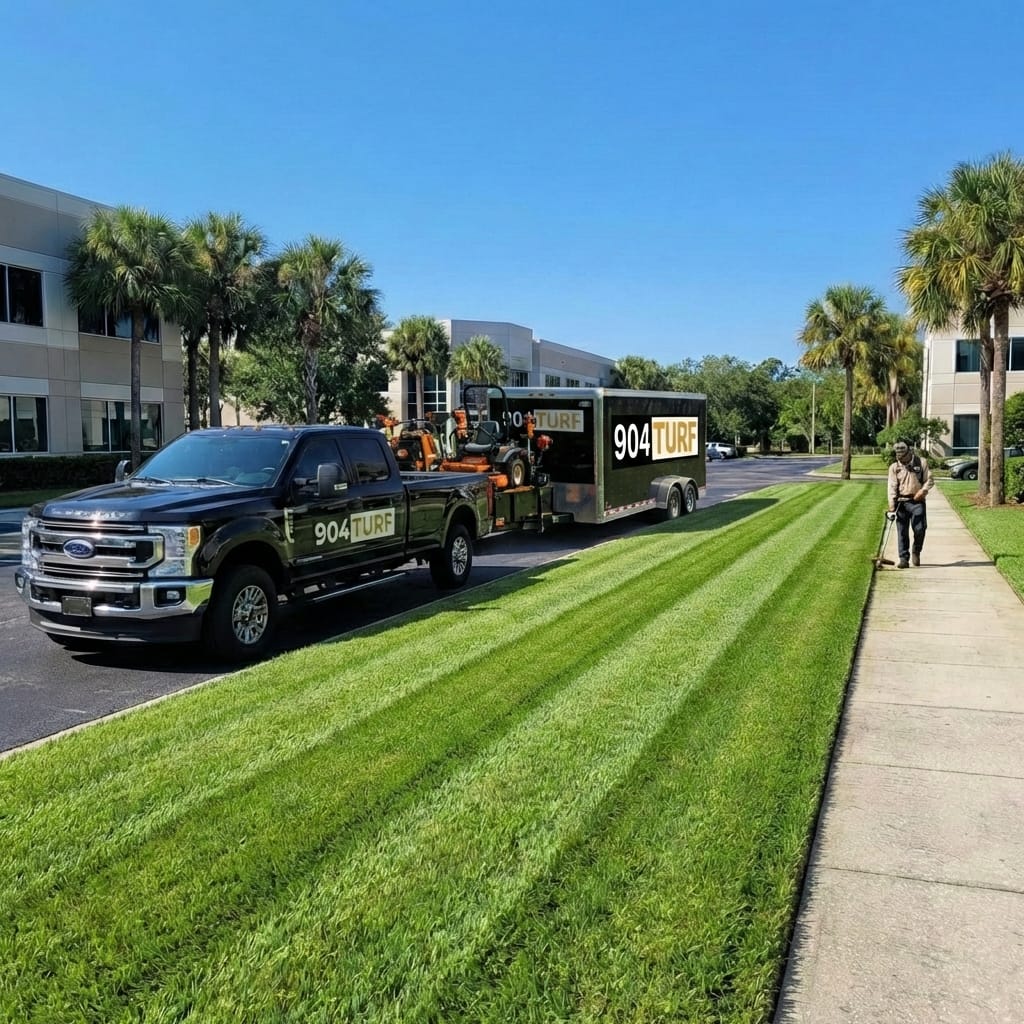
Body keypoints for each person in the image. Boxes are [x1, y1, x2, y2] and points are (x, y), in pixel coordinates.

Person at [887, 440, 933, 568]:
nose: (901, 460)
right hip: (901, 502)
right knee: (902, 532)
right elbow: (891, 486)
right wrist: (892, 505)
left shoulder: (921, 462)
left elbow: (929, 480)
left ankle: (916, 551)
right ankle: (903, 558)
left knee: (920, 529)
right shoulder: (894, 467)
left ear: (909, 453)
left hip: (917, 501)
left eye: (903, 457)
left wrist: (923, 491)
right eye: (899, 457)